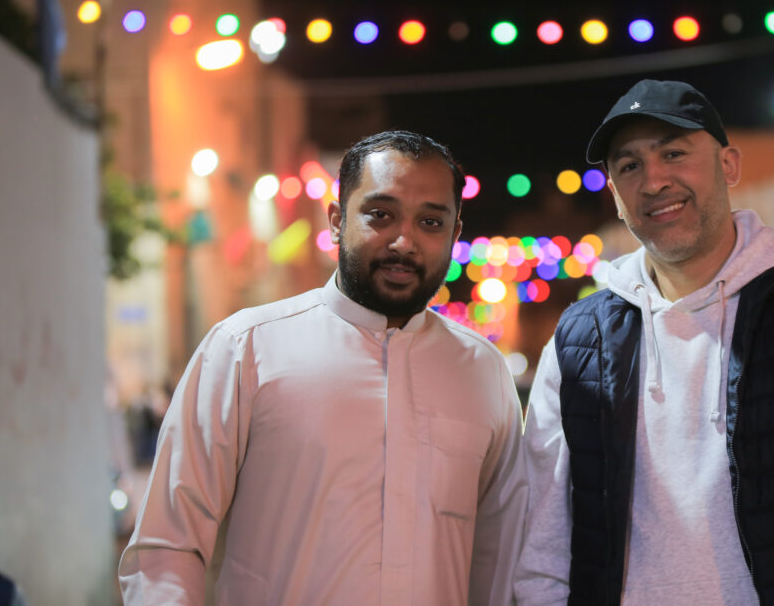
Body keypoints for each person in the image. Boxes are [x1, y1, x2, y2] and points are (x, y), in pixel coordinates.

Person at [513, 80, 774, 604]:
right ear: (616, 196)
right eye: (629, 166)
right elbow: (543, 543)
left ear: (729, 165)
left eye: (674, 154)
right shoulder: (579, 341)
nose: (654, 180)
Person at [120, 130, 528, 605]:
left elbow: (501, 557)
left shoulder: (481, 372)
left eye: (430, 222)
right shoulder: (245, 349)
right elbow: (168, 547)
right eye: (381, 215)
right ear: (337, 221)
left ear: (455, 235)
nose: (404, 242)